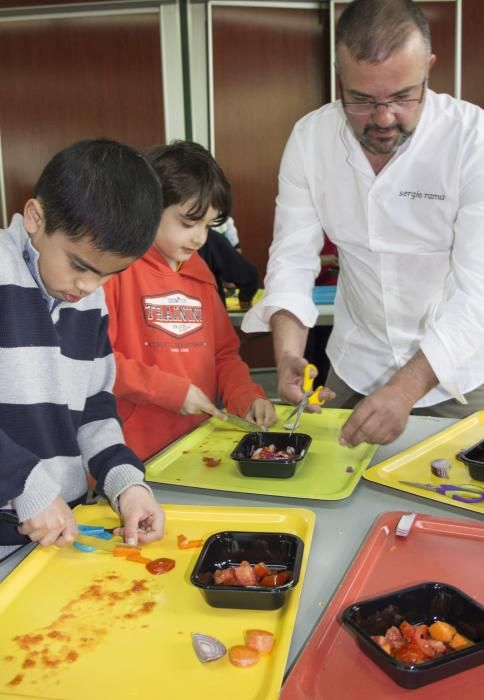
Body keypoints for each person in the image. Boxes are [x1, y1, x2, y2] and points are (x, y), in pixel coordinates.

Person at [243, 0, 484, 448]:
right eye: (362, 99)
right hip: (353, 367)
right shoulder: (311, 140)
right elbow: (293, 258)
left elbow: (478, 292)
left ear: (429, 68)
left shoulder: (472, 141)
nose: (384, 118)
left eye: (402, 96)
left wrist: (406, 390)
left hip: (458, 375)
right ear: (340, 76)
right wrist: (289, 353)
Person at [0, 138, 166, 561]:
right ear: (36, 218)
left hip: (64, 530)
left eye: (110, 275)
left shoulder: (87, 298)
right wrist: (25, 484)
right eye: (80, 266)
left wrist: (126, 485)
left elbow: (94, 407)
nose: (91, 287)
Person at [104, 140, 277, 462]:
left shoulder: (200, 273)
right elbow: (97, 361)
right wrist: (169, 391)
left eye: (208, 225)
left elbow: (224, 354)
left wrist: (247, 397)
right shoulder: (115, 270)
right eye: (187, 223)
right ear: (148, 208)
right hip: (130, 455)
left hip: (196, 445)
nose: (200, 238)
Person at [199, 228, 259, 309]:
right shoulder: (209, 238)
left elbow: (248, 275)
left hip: (210, 315)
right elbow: (248, 275)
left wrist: (245, 301)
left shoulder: (208, 239)